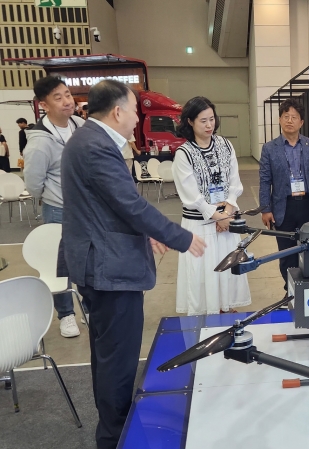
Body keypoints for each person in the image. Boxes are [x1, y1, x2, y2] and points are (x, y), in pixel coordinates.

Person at [61, 79, 207, 449]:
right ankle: (115, 436)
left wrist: (145, 233)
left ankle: (113, 427)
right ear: (117, 112)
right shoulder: (96, 147)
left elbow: (110, 206)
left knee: (109, 355)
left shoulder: (88, 140)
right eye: (135, 111)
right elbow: (130, 204)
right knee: (118, 361)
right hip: (109, 270)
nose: (138, 118)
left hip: (102, 263)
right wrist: (180, 236)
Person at [172, 96, 251, 315]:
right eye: (203, 121)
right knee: (202, 272)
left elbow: (234, 182)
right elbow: (192, 196)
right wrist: (218, 216)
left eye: (212, 119)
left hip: (225, 221)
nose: (209, 125)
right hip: (200, 225)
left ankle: (226, 308)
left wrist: (228, 211)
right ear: (190, 122)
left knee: (227, 267)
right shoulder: (184, 154)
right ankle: (206, 315)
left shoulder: (225, 145)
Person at [23, 76, 86, 337]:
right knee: (59, 265)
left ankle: (87, 307)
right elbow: (33, 182)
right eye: (58, 98)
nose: (66, 101)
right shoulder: (40, 141)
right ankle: (66, 315)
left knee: (87, 259)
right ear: (44, 105)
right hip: (58, 209)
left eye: (68, 94)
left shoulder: (80, 126)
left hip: (86, 208)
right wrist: (53, 196)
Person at [259, 98, 309, 292]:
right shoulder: (269, 148)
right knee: (287, 253)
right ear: (280, 120)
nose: (289, 120)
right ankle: (290, 290)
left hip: (307, 205)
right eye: (286, 116)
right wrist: (265, 209)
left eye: (294, 117)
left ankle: (308, 290)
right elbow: (265, 180)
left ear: (301, 122)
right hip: (283, 208)